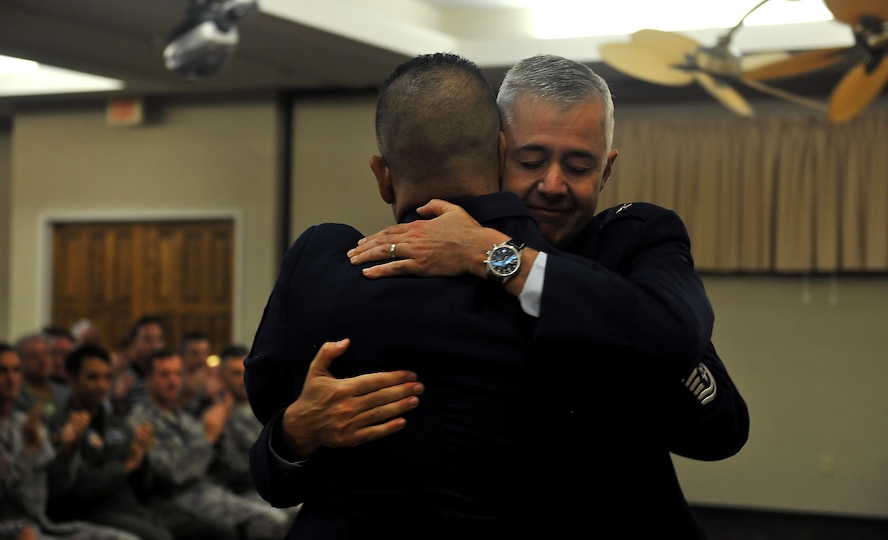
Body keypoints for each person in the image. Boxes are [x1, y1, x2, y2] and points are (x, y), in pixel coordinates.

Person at [345, 54, 749, 537]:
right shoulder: (438, 254)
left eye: (579, 166)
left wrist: (499, 257)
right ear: (494, 154)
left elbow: (721, 425)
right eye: (530, 161)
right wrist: (292, 435)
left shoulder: (633, 239)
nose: (552, 185)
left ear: (606, 171)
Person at [245, 52, 577, 536]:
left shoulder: (319, 264)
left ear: (383, 174)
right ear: (503, 153)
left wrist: (293, 430)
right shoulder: (574, 287)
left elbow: (268, 404)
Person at [45, 343, 211, 540]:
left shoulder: (116, 424)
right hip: (91, 512)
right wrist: (124, 467)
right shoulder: (59, 425)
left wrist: (141, 457)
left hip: (134, 506)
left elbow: (143, 487)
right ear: (71, 379)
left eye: (107, 378)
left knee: (215, 531)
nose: (102, 385)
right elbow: (74, 489)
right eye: (92, 377)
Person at [128, 348, 289, 540]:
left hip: (213, 490)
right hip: (177, 501)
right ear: (148, 379)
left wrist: (214, 437)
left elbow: (223, 462)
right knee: (271, 520)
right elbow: (174, 475)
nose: (173, 381)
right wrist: (210, 436)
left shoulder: (183, 416)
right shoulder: (141, 421)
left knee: (291, 512)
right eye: (165, 375)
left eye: (177, 374)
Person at [0, 342, 139, 540]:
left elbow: (56, 484)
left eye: (16, 370)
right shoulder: (38, 425)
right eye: (2, 371)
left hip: (42, 521)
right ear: (72, 379)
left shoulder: (26, 422)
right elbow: (6, 487)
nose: (11, 378)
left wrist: (66, 447)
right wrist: (31, 449)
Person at [110, 315, 165, 417]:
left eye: (158, 339)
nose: (154, 345)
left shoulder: (169, 375)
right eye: (147, 339)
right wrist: (117, 400)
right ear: (134, 342)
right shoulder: (124, 375)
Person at [13, 332, 70, 420]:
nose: (42, 361)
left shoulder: (66, 393)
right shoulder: (15, 396)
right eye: (34, 356)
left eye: (46, 354)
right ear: (20, 361)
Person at [175, 331, 221, 417]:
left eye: (204, 353)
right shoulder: (174, 380)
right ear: (182, 354)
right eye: (194, 353)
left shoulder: (213, 378)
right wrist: (189, 393)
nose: (201, 359)